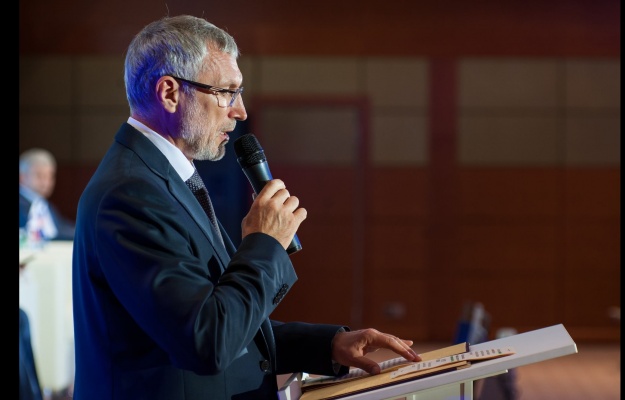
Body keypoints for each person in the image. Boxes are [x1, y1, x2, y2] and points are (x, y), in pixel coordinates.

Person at [71, 14, 422, 400]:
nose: (240, 111)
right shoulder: (130, 193)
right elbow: (207, 341)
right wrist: (264, 242)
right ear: (169, 93)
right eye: (226, 92)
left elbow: (220, 315)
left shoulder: (163, 178)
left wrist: (327, 345)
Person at [19, 148, 76, 242]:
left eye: (50, 176)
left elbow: (60, 228)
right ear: (22, 177)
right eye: (39, 175)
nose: (45, 182)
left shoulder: (44, 204)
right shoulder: (24, 206)